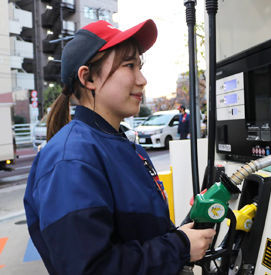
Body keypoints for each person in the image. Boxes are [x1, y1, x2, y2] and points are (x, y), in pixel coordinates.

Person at [23, 19, 215, 274]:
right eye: (129, 65)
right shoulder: (70, 159)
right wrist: (178, 246)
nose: (142, 79)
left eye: (140, 65)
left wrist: (179, 238)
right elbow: (90, 268)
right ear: (87, 77)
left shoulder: (123, 146)